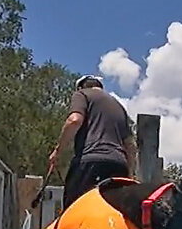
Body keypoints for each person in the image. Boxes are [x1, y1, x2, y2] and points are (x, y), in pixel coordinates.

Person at [50, 75, 138, 207]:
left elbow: (74, 121)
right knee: (114, 213)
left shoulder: (82, 94)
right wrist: (129, 174)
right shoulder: (119, 107)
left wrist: (57, 151)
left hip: (91, 162)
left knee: (75, 210)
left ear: (81, 87)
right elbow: (130, 146)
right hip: (119, 166)